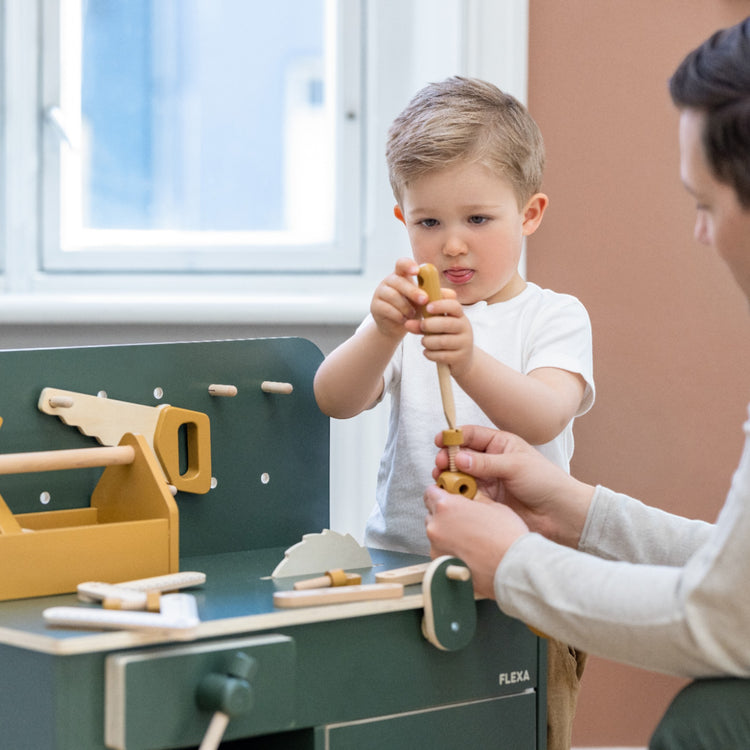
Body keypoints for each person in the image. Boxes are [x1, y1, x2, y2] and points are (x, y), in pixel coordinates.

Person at [423, 17, 750, 750]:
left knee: (709, 723)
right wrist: (572, 510)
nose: (699, 233)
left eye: (705, 205)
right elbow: (743, 574)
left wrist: (512, 563)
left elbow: (725, 620)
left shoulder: (553, 317)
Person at [314, 77, 595, 750]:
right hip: (404, 568)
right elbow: (334, 397)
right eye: (429, 222)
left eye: (478, 219)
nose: (453, 245)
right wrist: (380, 334)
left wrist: (469, 360)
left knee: (521, 730)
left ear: (530, 214)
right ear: (402, 221)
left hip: (523, 586)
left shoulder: (553, 316)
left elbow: (545, 416)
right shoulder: (405, 315)